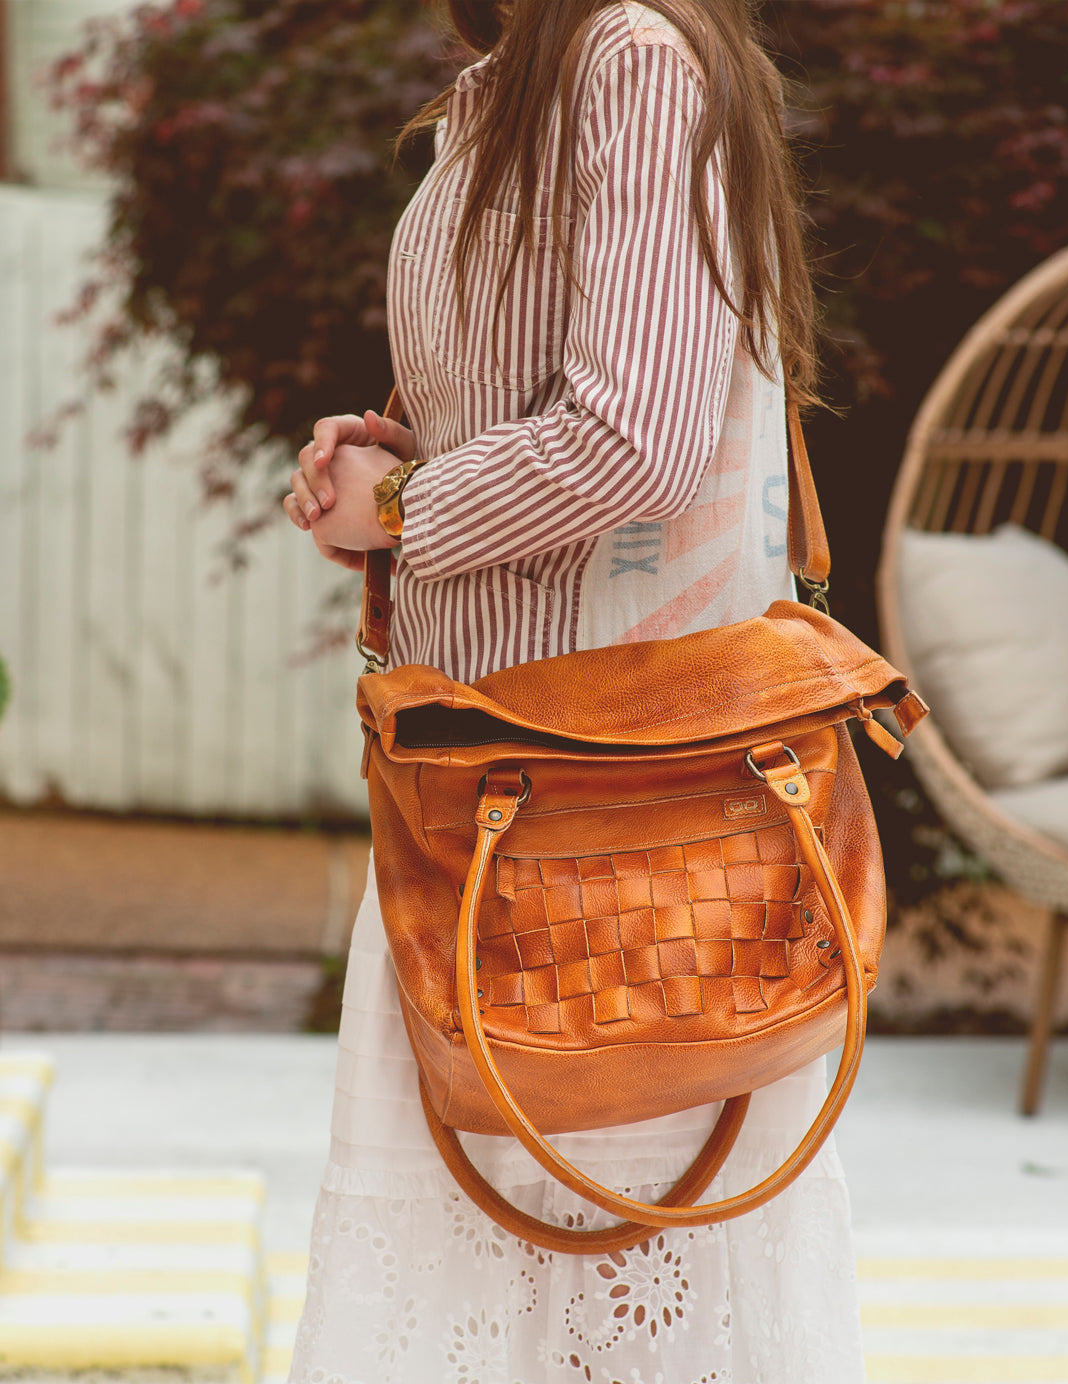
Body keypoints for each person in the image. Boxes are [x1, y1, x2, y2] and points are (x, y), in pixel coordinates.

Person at [282, 2, 867, 1379]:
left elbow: (639, 439)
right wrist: (394, 453)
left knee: (592, 1277)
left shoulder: (632, 63)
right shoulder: (526, 78)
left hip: (596, 816)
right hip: (505, 783)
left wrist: (415, 507)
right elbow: (570, 399)